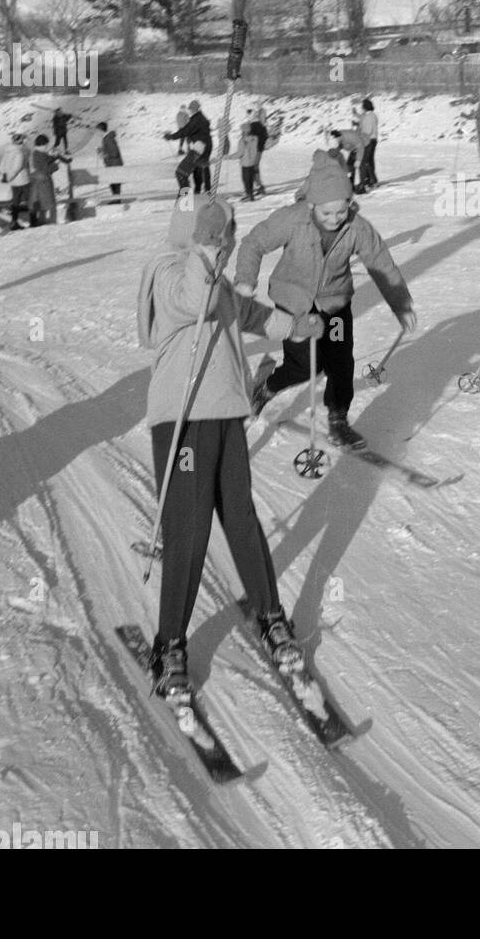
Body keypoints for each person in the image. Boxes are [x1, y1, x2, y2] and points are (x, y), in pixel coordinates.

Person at [137, 196, 305, 701]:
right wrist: (206, 248)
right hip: (184, 417)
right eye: (217, 236)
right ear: (193, 237)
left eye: (229, 236)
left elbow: (244, 311)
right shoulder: (170, 275)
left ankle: (270, 617)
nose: (227, 244)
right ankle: (169, 647)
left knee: (240, 516)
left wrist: (295, 326)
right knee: (188, 530)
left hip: (226, 411)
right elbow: (198, 301)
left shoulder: (214, 279)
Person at [236, 150, 416, 449]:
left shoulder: (357, 227)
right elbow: (254, 243)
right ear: (312, 205)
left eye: (341, 211)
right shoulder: (291, 219)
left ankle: (338, 419)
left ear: (349, 203)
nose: (334, 219)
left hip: (334, 304)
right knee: (304, 365)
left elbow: (381, 263)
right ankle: (266, 387)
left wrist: (401, 304)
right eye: (326, 213)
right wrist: (245, 281)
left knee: (340, 361)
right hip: (295, 304)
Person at [166, 101, 212, 193]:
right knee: (200, 168)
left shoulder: (197, 119)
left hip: (199, 147)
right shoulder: (201, 118)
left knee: (181, 173)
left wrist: (171, 136)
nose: (189, 110)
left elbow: (186, 131)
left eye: (190, 108)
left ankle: (186, 201)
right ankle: (203, 191)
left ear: (193, 109)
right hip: (205, 146)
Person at [28, 134, 68, 227]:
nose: (47, 147)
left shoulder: (38, 153)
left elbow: (46, 160)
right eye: (46, 145)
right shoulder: (38, 154)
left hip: (41, 181)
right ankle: (51, 221)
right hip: (43, 181)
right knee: (48, 202)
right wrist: (56, 165)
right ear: (41, 145)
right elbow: (45, 169)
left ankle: (44, 220)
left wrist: (54, 156)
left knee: (43, 202)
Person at [0, 133, 31, 230]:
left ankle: (14, 222)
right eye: (23, 139)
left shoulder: (7, 151)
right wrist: (10, 177)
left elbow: (1, 166)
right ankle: (33, 220)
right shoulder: (20, 152)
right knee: (30, 199)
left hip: (13, 182)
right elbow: (18, 167)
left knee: (15, 201)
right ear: (21, 141)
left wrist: (5, 176)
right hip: (22, 179)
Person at [96, 121, 123, 201]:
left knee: (114, 183)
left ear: (101, 130)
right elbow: (109, 150)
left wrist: (105, 155)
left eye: (97, 131)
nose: (97, 133)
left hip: (114, 164)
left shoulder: (108, 139)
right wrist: (101, 151)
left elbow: (114, 153)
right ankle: (116, 199)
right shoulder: (106, 138)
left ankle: (117, 199)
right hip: (112, 164)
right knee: (112, 183)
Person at [356, 98, 379, 192]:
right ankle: (372, 180)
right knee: (369, 161)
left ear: (365, 107)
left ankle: (365, 183)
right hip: (371, 140)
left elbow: (368, 130)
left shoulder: (370, 116)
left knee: (363, 162)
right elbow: (362, 119)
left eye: (362, 107)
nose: (361, 108)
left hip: (368, 140)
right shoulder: (370, 115)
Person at [237, 121, 260, 201]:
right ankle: (250, 195)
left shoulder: (242, 141)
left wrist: (226, 157)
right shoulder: (255, 139)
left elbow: (239, 154)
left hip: (245, 163)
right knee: (250, 180)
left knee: (246, 180)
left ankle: (248, 195)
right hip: (252, 163)